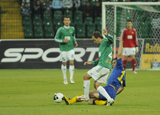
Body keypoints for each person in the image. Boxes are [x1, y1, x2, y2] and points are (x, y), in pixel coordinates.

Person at [63, 37, 126, 106]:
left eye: (114, 63)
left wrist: (121, 42)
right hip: (112, 92)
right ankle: (108, 100)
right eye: (112, 62)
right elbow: (122, 87)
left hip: (109, 89)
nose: (112, 64)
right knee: (90, 101)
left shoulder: (119, 67)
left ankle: (71, 101)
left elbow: (119, 54)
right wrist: (114, 94)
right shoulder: (123, 73)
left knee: (89, 93)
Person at [75, 30, 114, 105]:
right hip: (106, 67)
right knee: (97, 85)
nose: (94, 42)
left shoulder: (106, 41)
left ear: (99, 38)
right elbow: (100, 59)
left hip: (103, 66)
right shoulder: (102, 46)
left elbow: (112, 40)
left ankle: (86, 96)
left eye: (94, 40)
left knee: (86, 76)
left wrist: (107, 35)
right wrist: (92, 62)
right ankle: (109, 99)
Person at [55, 16, 78, 84]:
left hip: (71, 48)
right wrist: (62, 40)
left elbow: (73, 36)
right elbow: (56, 38)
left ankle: (71, 78)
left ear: (70, 21)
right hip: (63, 49)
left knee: (71, 62)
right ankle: (65, 78)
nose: (67, 21)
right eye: (65, 20)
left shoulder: (72, 29)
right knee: (64, 63)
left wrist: (75, 41)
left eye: (68, 20)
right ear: (63, 21)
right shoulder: (60, 29)